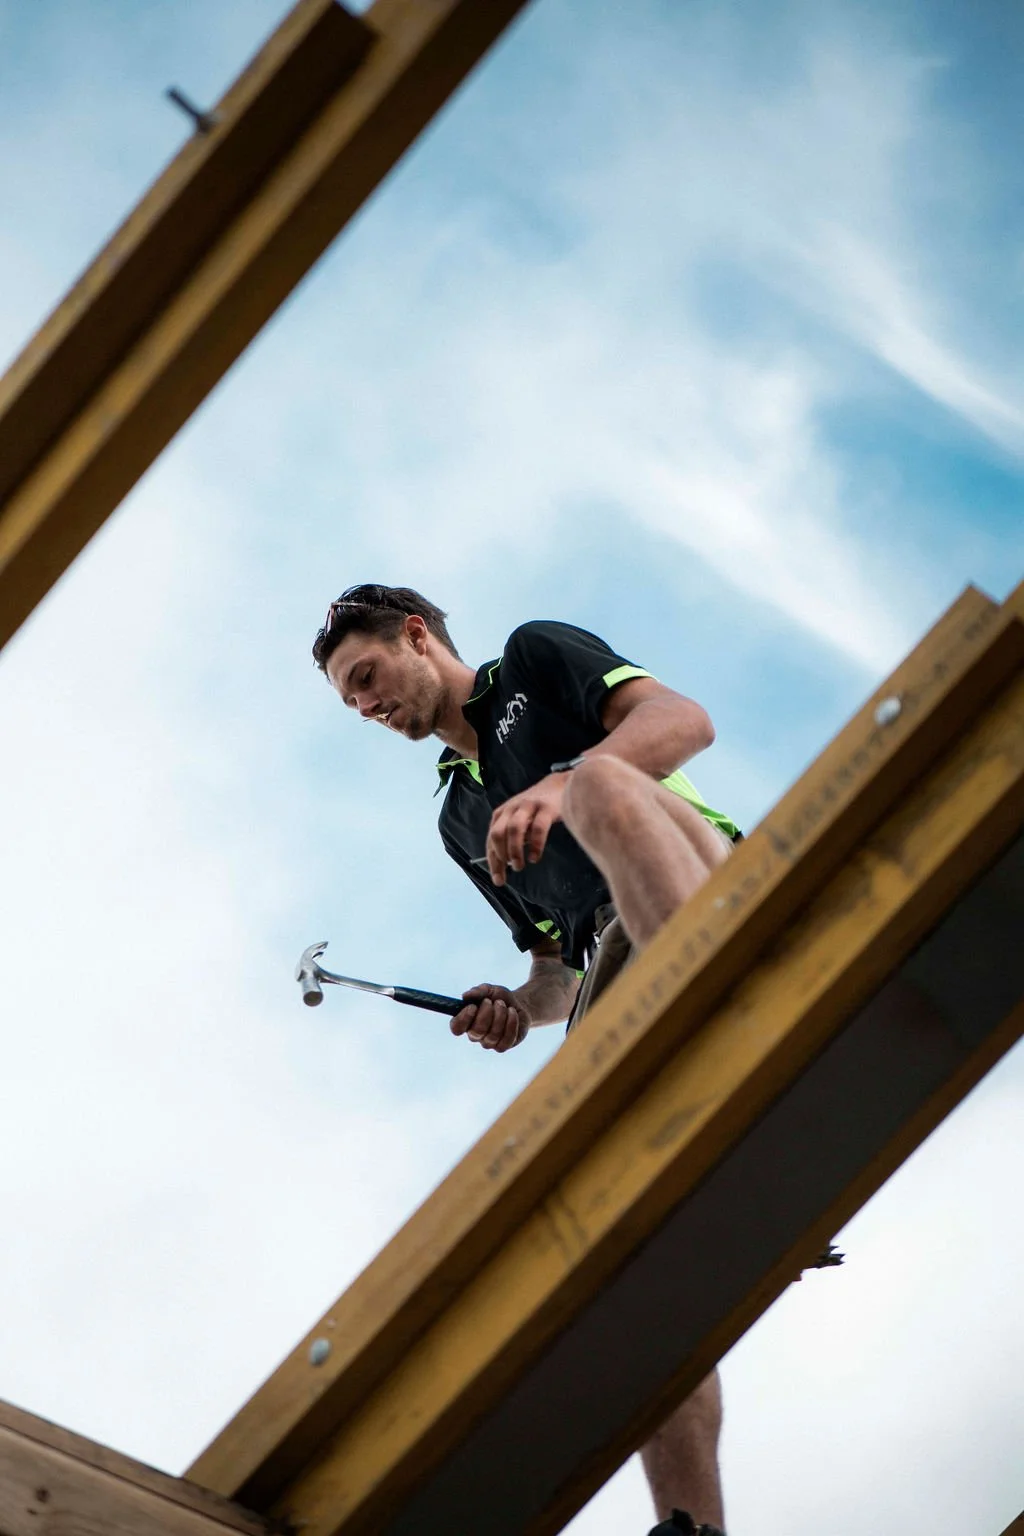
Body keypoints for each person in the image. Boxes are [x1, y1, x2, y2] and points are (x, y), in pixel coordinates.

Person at [312, 583, 742, 1536]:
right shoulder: (460, 822)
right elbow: (556, 973)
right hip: (615, 976)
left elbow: (683, 720)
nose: (368, 706)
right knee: (614, 1272)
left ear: (417, 636)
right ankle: (694, 1525)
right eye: (351, 702)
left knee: (595, 785)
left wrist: (559, 782)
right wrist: (517, 1006)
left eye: (369, 676)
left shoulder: (533, 662)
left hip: (715, 890)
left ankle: (733, 1040)